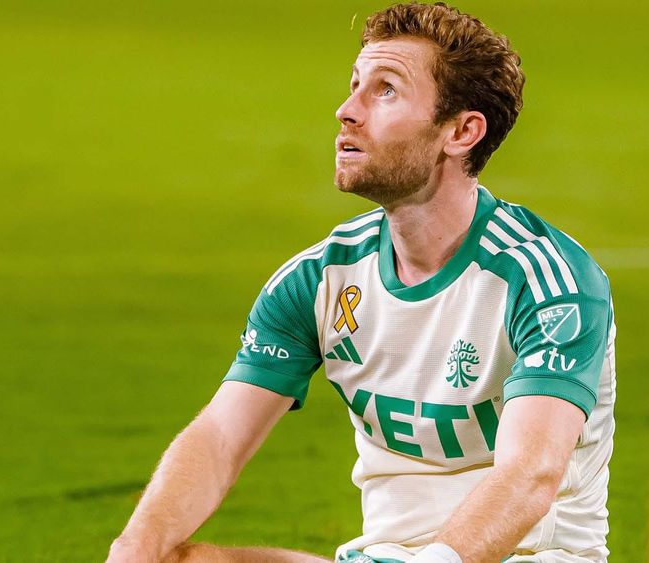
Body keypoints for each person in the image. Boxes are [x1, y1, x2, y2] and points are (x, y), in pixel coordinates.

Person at [107, 2, 615, 562]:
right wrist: (135, 547)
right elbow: (220, 439)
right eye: (355, 86)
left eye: (386, 90)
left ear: (461, 131)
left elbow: (530, 476)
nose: (347, 111)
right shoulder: (320, 278)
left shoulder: (547, 281)